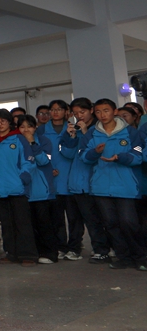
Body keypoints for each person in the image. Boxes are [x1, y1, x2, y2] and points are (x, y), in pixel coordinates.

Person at [82, 99, 146, 270]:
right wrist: (95, 152)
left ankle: (140, 257)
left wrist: (120, 157)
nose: (102, 115)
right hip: (101, 187)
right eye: (98, 112)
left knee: (129, 222)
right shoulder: (91, 133)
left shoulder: (130, 132)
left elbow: (138, 156)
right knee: (111, 223)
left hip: (125, 186)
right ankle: (123, 257)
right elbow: (83, 157)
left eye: (106, 110)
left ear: (114, 111)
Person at [0, 109, 38, 266]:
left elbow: (28, 160)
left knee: (22, 223)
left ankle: (28, 255)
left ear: (9, 121)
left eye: (3, 121)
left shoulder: (19, 138)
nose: (0, 124)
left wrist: (23, 178)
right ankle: (11, 253)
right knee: (6, 223)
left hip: (17, 188)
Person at [59, 98, 108, 262]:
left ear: (91, 110)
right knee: (74, 220)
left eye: (82, 112)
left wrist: (86, 133)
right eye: (75, 113)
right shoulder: (76, 129)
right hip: (75, 182)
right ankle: (74, 249)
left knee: (93, 220)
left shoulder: (99, 129)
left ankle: (101, 250)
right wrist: (71, 136)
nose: (79, 116)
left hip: (90, 183)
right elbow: (67, 154)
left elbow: (95, 153)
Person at [39, 100, 79, 260]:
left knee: (74, 218)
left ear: (66, 112)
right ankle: (61, 246)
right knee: (56, 219)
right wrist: (47, 168)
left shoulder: (73, 129)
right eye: (53, 109)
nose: (55, 112)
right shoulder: (41, 130)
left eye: (59, 109)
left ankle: (75, 247)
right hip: (51, 180)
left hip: (70, 178)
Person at [18, 115, 59, 264]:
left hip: (41, 190)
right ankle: (33, 253)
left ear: (35, 127)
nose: (26, 130)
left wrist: (32, 143)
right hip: (22, 190)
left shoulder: (44, 141)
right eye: (22, 127)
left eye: (29, 126)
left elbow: (43, 161)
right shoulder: (15, 142)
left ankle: (50, 253)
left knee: (44, 224)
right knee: (28, 225)